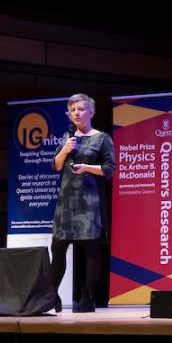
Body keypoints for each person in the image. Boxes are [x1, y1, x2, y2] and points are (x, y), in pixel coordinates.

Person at [50, 93, 115, 313]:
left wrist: (87, 168)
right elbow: (56, 166)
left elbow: (109, 169)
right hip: (67, 201)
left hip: (90, 201)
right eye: (72, 110)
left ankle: (87, 297)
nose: (75, 113)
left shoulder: (102, 138)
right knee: (58, 247)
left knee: (90, 248)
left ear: (91, 112)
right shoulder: (67, 138)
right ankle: (52, 295)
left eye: (80, 109)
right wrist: (65, 150)